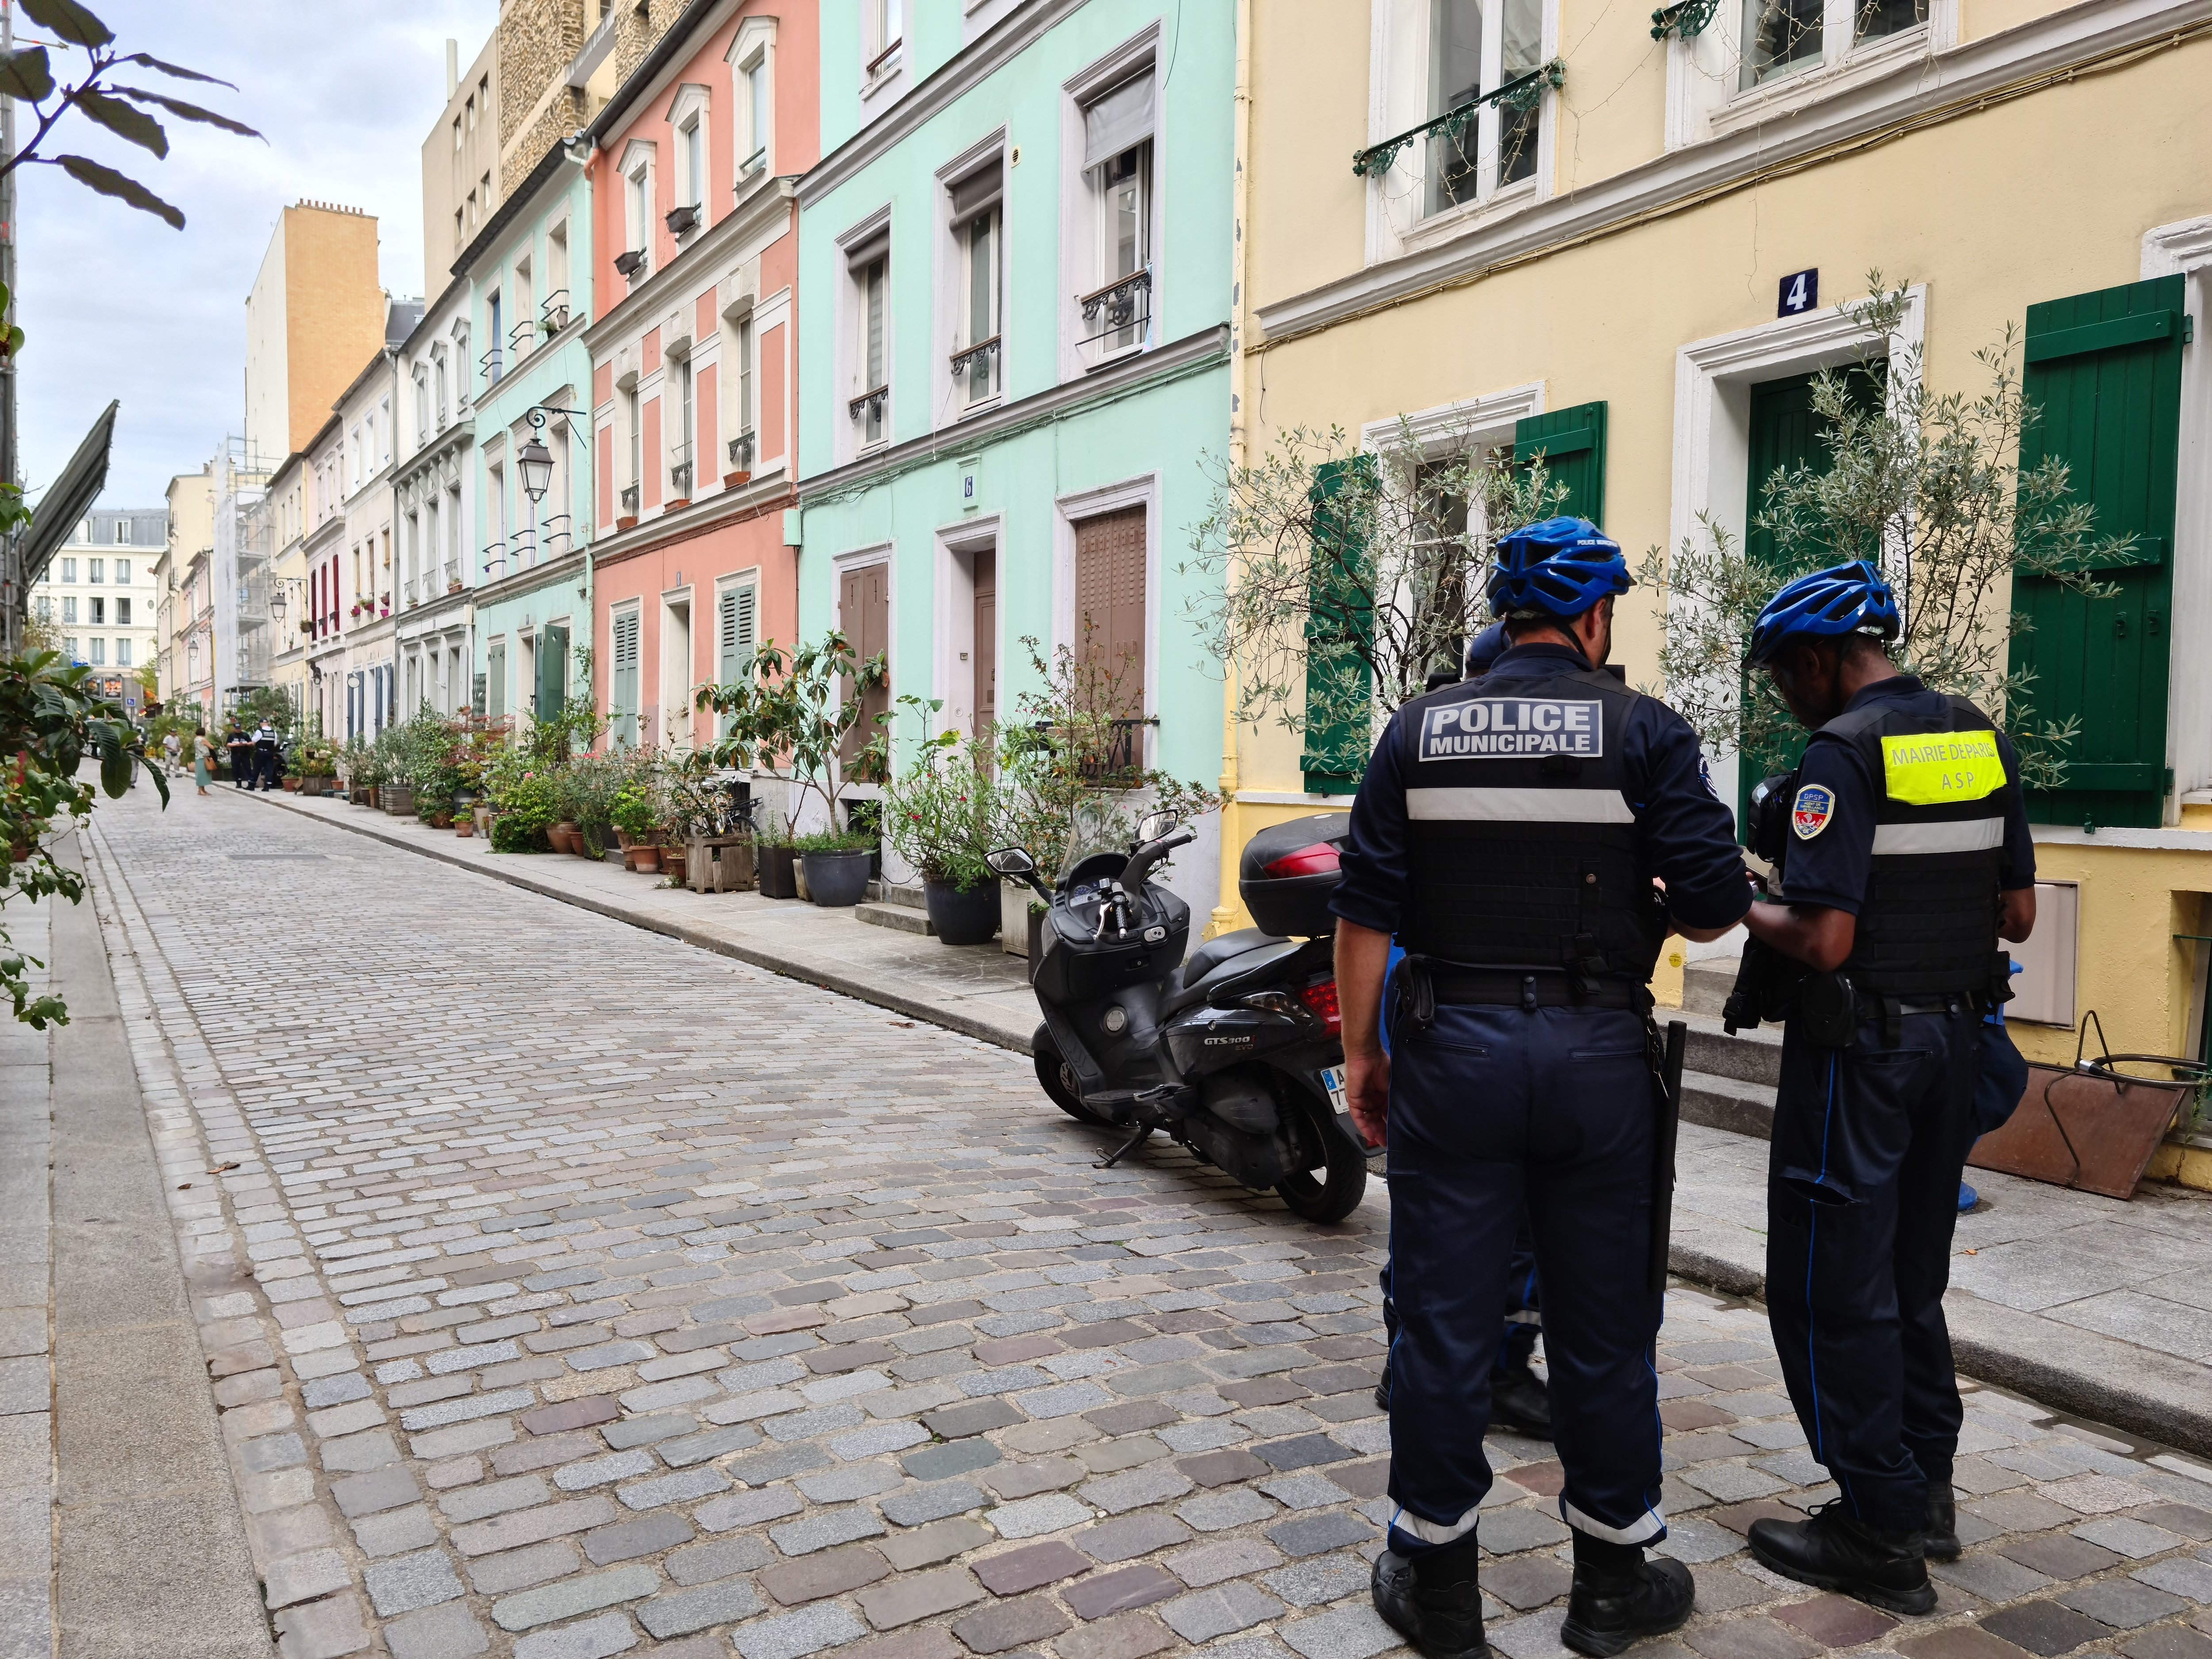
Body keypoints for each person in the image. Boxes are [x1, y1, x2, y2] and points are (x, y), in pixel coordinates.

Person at [1336, 517, 1755, 1659]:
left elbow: (1365, 908)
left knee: (1443, 1324)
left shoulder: (1415, 730)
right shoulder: (1646, 731)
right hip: (1598, 1059)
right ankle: (1613, 1579)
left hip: (1451, 1050)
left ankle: (1437, 1582)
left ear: (1506, 616)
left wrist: (1366, 1058)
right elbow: (1716, 904)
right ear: (1595, 617)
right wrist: (1648, 901)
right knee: (1606, 1328)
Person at [1734, 561, 2035, 1614]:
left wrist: (1745, 897)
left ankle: (1876, 1523)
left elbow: (1823, 936)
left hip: (1860, 1052)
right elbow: (2018, 916)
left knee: (1826, 1282)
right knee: (1912, 1273)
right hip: (1953, 1042)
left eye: (1783, 676)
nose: (1784, 695)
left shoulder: (1842, 754)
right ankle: (1929, 1487)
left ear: (1820, 659)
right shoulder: (1978, 736)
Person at [1375, 613, 1551, 1444]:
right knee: (1508, 1218)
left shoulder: (1421, 742)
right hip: (1474, 1008)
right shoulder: (1543, 751)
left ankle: (1413, 1357)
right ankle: (1496, 1371)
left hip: (1419, 996)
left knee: (1431, 1212)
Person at [253, 720, 279, 791]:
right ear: (268, 724)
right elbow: (275, 744)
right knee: (269, 770)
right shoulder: (274, 733)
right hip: (270, 753)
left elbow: (253, 741)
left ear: (261, 724)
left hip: (261, 753)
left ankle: (252, 785)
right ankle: (267, 786)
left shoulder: (259, 732)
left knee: (257, 769)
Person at [226, 723, 252, 788]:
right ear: (234, 729)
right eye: (237, 729)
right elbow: (228, 744)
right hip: (235, 754)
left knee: (248, 768)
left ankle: (250, 782)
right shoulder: (231, 736)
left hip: (245, 754)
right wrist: (236, 745)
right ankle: (238, 783)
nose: (238, 730)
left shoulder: (245, 735)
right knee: (236, 769)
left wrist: (246, 744)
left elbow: (251, 743)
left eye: (239, 729)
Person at [191, 729, 214, 796]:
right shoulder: (203, 740)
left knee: (201, 773)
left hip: (198, 757)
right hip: (203, 757)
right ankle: (201, 790)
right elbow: (212, 747)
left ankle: (202, 790)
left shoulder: (196, 739)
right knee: (203, 773)